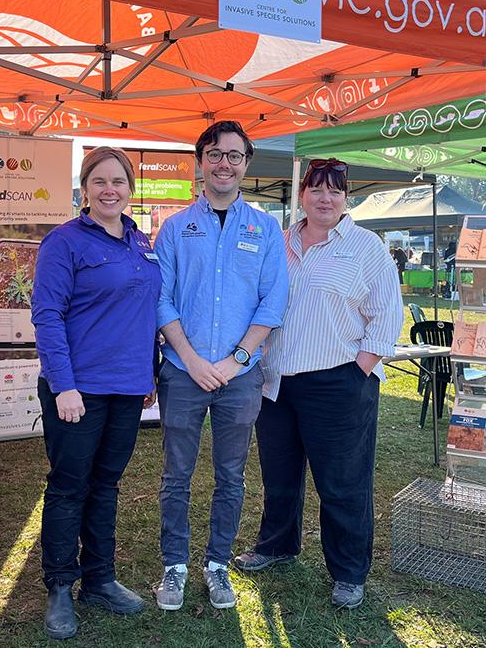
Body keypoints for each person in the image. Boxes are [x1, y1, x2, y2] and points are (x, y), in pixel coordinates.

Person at [231, 157, 402, 610]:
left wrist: (358, 370)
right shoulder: (278, 242)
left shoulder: (367, 247)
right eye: (317, 189)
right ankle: (277, 544)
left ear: (347, 198)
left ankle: (348, 571)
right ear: (302, 193)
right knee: (279, 474)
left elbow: (387, 315)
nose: (326, 198)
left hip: (339, 382)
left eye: (335, 190)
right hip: (276, 382)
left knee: (343, 483)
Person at [153, 121, 289, 612]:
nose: (224, 163)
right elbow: (160, 299)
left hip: (239, 377)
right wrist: (190, 360)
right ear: (200, 162)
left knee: (231, 475)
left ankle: (216, 565)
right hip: (182, 373)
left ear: (246, 164)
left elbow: (272, 305)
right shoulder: (174, 228)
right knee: (176, 474)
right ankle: (174, 566)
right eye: (215, 154)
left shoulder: (265, 229)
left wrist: (233, 364)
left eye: (234, 155)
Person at [31, 147, 162, 640]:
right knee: (70, 487)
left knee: (106, 485)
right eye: (100, 181)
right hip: (78, 390)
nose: (111, 190)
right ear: (85, 188)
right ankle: (61, 586)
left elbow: (144, 315)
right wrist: (63, 385)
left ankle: (100, 578)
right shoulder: (64, 242)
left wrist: (147, 376)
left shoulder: (140, 241)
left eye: (119, 182)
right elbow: (47, 315)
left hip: (127, 388)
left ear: (130, 189)